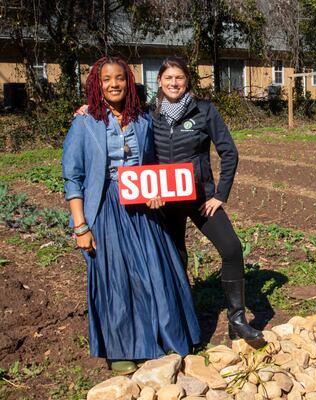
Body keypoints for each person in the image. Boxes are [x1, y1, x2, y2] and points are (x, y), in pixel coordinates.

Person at [62, 56, 201, 375]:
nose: (114, 84)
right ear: (97, 84)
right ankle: (123, 349)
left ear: (129, 82)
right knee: (117, 280)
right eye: (107, 79)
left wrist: (156, 191)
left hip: (140, 206)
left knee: (155, 271)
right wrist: (81, 225)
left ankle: (164, 338)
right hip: (106, 207)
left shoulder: (142, 120)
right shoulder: (84, 122)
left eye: (120, 78)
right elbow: (73, 177)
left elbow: (153, 163)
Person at [148, 56, 262, 342]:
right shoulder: (149, 113)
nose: (174, 83)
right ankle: (179, 323)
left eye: (180, 78)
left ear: (188, 81)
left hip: (201, 199)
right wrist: (87, 109)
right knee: (176, 259)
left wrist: (220, 195)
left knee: (232, 248)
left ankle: (237, 321)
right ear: (159, 81)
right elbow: (117, 117)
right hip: (166, 203)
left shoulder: (204, 110)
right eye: (168, 78)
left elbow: (229, 152)